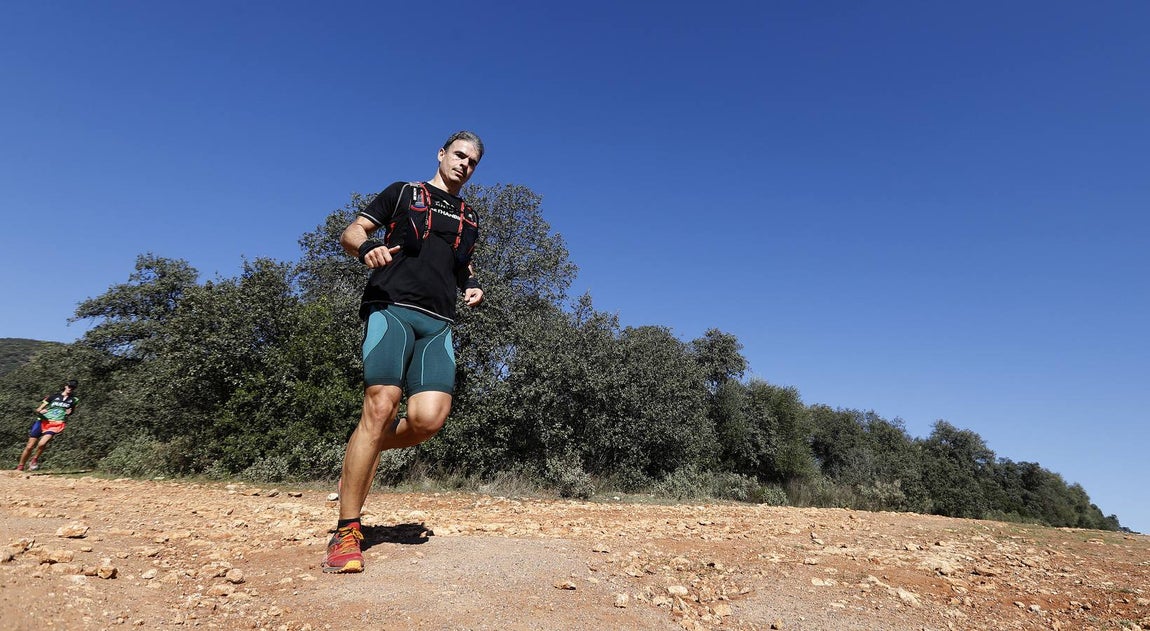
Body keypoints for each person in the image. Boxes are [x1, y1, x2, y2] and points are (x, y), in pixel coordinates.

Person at [322, 131, 486, 573]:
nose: (464, 165)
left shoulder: (470, 217)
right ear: (441, 154)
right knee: (381, 405)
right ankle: (347, 532)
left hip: (438, 322)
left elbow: (460, 261)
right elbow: (352, 231)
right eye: (458, 155)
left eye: (472, 162)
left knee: (427, 420)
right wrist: (368, 246)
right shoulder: (403, 193)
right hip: (391, 306)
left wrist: (471, 284)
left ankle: (364, 446)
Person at [16, 380, 79, 471]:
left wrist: (69, 413)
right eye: (69, 386)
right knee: (30, 446)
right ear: (65, 386)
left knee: (42, 443)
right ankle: (20, 466)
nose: (70, 389)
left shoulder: (74, 400)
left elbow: (71, 411)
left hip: (56, 423)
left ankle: (34, 460)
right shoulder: (53, 396)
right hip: (42, 421)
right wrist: (41, 411)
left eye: (73, 387)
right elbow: (38, 409)